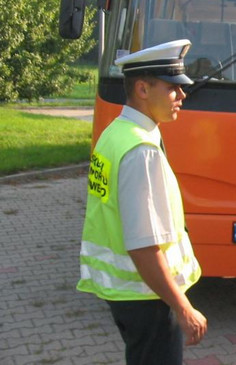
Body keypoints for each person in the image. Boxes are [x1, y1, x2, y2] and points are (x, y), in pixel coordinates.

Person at [77, 39, 207, 365]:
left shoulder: (115, 133)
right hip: (147, 297)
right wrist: (182, 307)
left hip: (129, 295)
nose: (181, 96)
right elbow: (143, 246)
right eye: (172, 88)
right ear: (143, 89)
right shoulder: (140, 151)